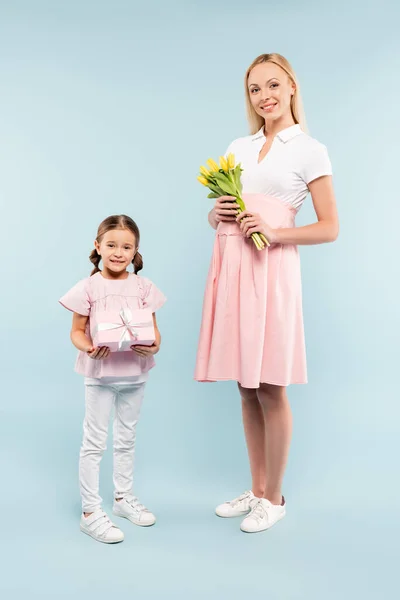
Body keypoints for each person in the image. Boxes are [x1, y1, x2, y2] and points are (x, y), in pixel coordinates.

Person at [195, 53, 339, 533]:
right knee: (246, 383)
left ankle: (274, 498)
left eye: (273, 85)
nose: (265, 96)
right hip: (234, 267)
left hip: (272, 270)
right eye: (255, 89)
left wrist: (275, 234)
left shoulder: (310, 149)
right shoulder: (240, 146)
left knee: (271, 385)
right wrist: (216, 214)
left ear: (293, 86)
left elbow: (330, 228)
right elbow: (220, 213)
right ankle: (256, 489)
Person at [59, 214, 166, 543]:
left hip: (134, 374)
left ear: (135, 251)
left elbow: (156, 335)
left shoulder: (144, 287)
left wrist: (153, 347)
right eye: (112, 245)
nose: (119, 252)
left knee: (126, 438)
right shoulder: (89, 287)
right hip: (101, 375)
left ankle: (122, 498)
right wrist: (89, 347)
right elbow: (77, 332)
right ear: (98, 246)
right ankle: (91, 511)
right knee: (94, 442)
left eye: (126, 247)